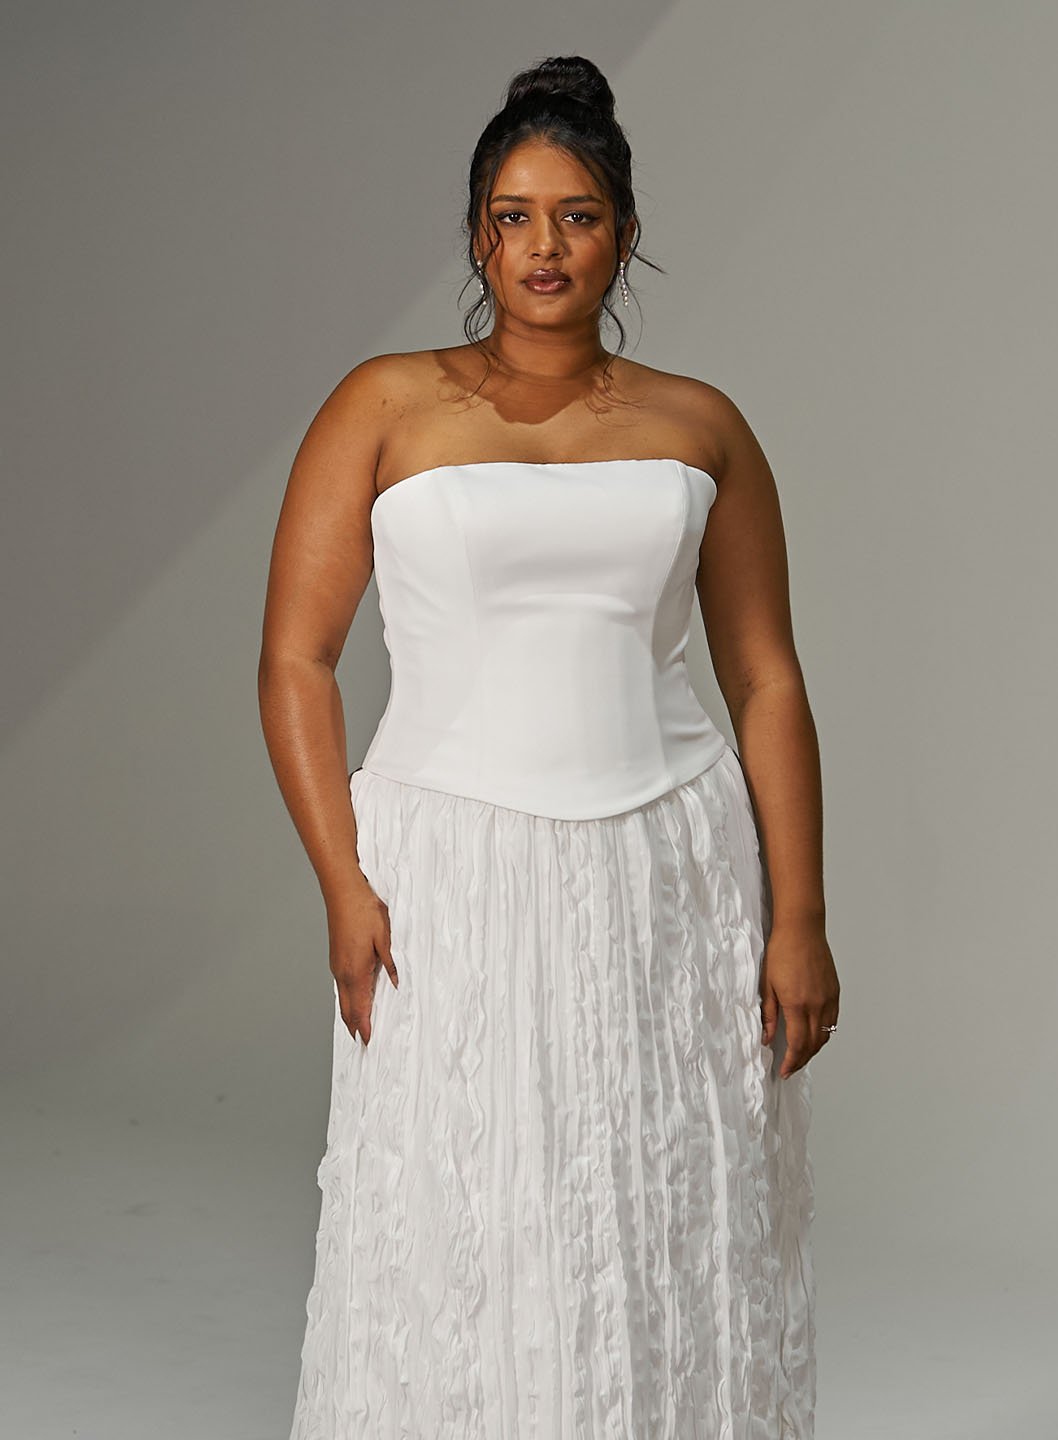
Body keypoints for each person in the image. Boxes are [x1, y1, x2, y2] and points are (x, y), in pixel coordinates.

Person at [258, 52, 839, 1440]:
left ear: (623, 235)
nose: (544, 247)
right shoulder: (383, 405)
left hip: (669, 864)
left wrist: (799, 917)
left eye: (576, 216)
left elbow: (765, 678)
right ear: (477, 236)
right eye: (513, 217)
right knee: (463, 1203)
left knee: (657, 1199)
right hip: (449, 860)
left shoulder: (701, 425)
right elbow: (295, 659)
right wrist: (343, 881)